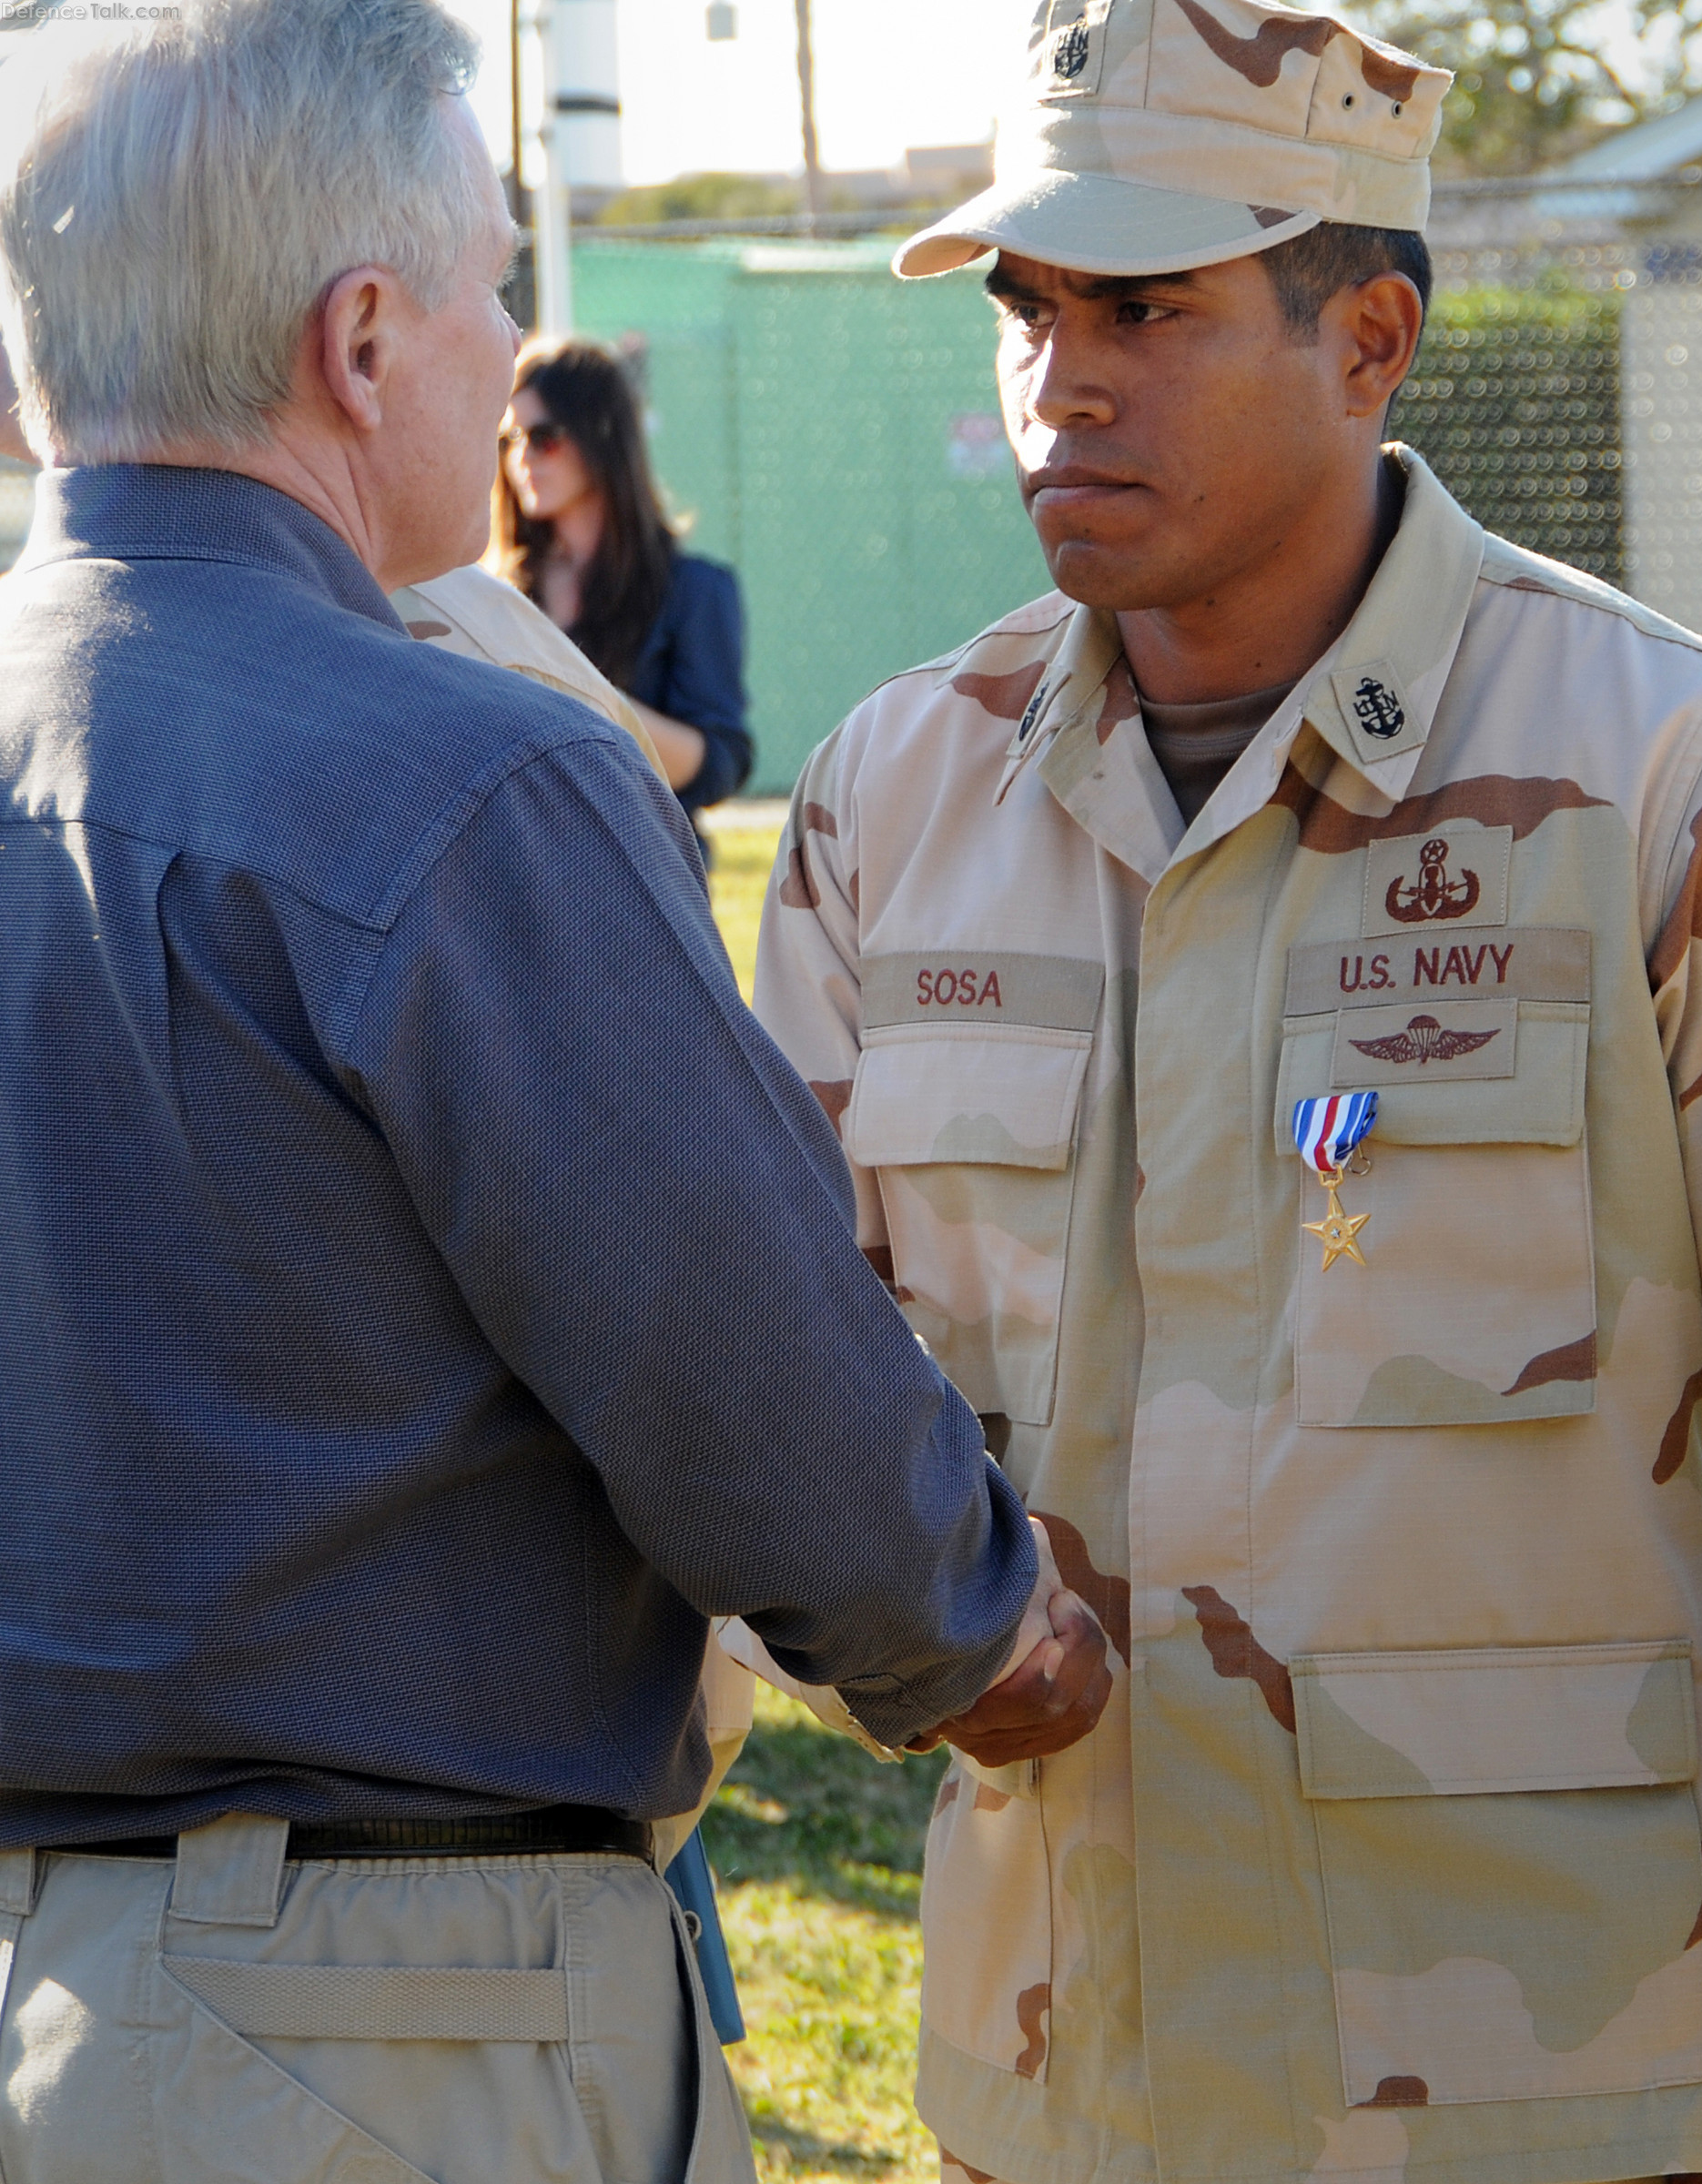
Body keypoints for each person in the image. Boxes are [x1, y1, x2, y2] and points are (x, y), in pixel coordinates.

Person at [0, 4, 1112, 2178]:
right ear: (360, 342)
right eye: (496, 285)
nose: (516, 343)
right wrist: (991, 1631)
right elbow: (753, 1385)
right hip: (392, 2021)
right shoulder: (457, 775)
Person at [753, 4, 1702, 2181]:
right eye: (1026, 307)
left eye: (1146, 303)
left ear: (1372, 336)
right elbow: (782, 1371)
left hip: (1527, 2088)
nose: (1057, 376)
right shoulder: (893, 797)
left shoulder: (1676, 779)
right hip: (1056, 2074)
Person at [492, 337, 752, 848]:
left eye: (543, 436)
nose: (522, 458)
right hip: (521, 871)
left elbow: (720, 766)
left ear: (601, 437)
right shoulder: (501, 591)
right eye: (509, 439)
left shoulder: (694, 590)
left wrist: (588, 700)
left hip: (642, 865)